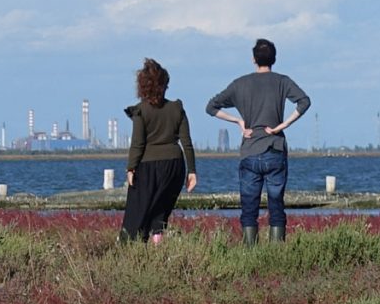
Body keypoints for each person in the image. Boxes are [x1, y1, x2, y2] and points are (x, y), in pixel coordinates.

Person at [205, 37, 311, 243]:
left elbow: (211, 107)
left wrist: (238, 121)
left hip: (250, 151)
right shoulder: (282, 81)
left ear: (254, 59)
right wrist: (283, 125)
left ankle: (249, 252)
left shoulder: (240, 84)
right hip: (275, 149)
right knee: (276, 205)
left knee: (249, 206)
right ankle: (276, 252)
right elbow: (304, 102)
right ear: (274, 59)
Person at [120, 58, 198, 243]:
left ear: (142, 86)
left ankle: (128, 249)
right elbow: (187, 142)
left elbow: (138, 143)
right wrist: (192, 171)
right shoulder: (177, 108)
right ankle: (157, 247)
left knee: (136, 213)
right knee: (161, 211)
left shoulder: (141, 111)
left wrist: (131, 168)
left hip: (147, 167)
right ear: (164, 84)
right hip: (174, 166)